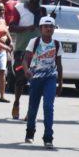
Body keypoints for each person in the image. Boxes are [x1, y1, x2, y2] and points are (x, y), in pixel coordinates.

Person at [22, 16, 63, 150]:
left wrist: (60, 83)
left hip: (50, 78)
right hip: (36, 78)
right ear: (41, 29)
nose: (48, 29)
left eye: (51, 26)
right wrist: (27, 70)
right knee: (33, 107)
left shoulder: (57, 44)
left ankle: (48, 137)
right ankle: (30, 132)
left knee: (48, 106)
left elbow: (59, 64)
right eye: (46, 26)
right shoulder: (34, 42)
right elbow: (25, 59)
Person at [10, 0, 46, 120]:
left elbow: (45, 30)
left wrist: (50, 21)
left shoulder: (43, 11)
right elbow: (12, 27)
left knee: (36, 82)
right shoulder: (19, 8)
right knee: (20, 79)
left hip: (38, 52)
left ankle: (30, 111)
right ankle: (16, 102)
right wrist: (26, 28)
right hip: (21, 50)